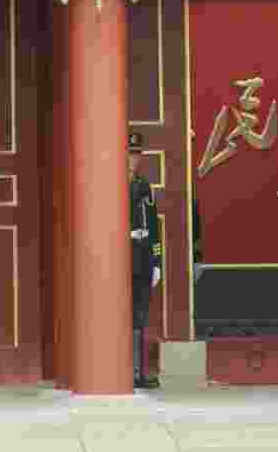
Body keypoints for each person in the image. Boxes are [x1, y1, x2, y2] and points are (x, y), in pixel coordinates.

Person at [129, 132, 162, 390]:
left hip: (143, 255)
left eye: (137, 155)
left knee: (140, 315)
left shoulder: (144, 184)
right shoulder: (116, 185)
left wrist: (157, 260)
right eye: (131, 154)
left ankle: (138, 373)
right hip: (124, 254)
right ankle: (126, 371)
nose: (134, 159)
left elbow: (153, 224)